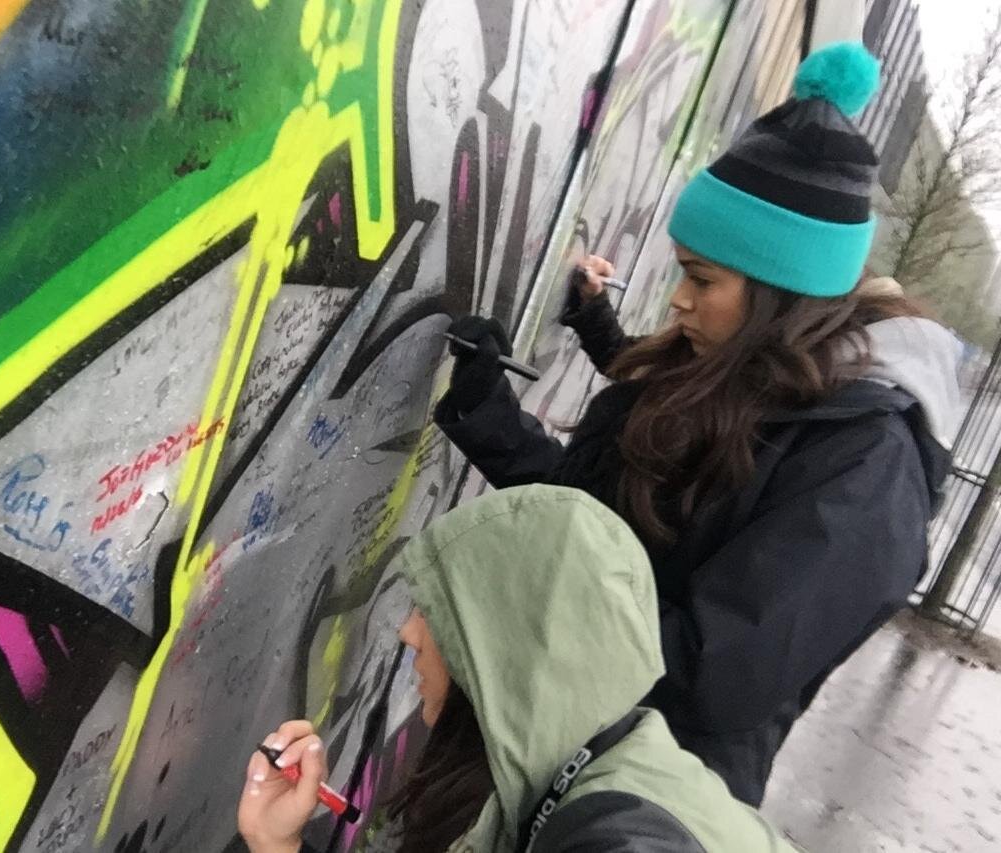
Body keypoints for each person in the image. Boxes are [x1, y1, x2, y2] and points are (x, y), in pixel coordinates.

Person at [434, 42, 962, 805]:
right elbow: (591, 525)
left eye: (701, 277)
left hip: (628, 808)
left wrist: (506, 597)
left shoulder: (868, 469)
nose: (678, 299)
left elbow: (712, 672)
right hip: (535, 749)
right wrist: (489, 412)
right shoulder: (726, 371)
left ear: (783, 288)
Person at [237, 486, 800, 853]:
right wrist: (276, 843)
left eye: (437, 610)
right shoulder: (576, 775)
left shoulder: (614, 834)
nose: (408, 631)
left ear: (506, 642)